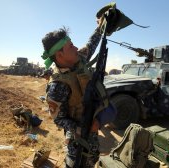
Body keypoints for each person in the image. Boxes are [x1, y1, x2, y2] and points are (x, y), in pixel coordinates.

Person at [41, 17, 116, 168]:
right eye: (71, 47)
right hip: (79, 137)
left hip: (92, 126)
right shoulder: (58, 85)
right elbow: (58, 119)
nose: (76, 49)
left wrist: (100, 26)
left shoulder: (78, 59)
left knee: (92, 158)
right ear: (60, 55)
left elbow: (91, 44)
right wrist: (83, 128)